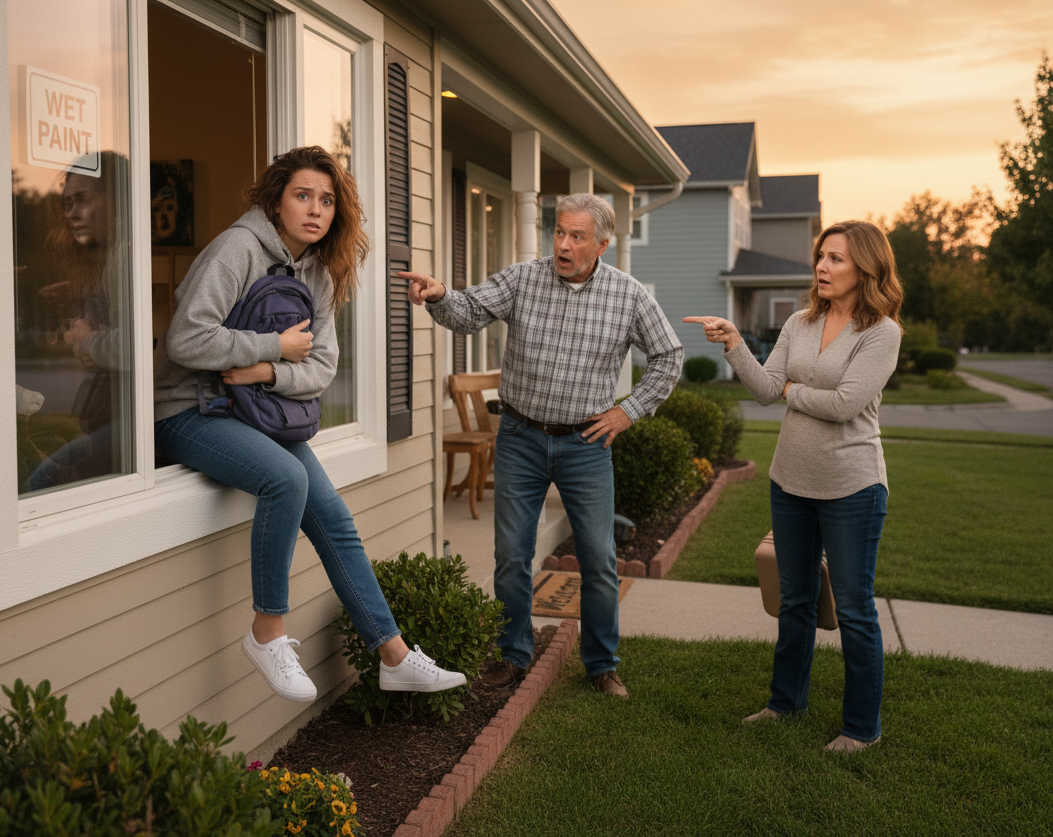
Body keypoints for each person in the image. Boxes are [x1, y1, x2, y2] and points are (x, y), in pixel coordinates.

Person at [153, 146, 466, 703]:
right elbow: (185, 338)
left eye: (326, 200)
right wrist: (277, 345)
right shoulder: (237, 249)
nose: (315, 209)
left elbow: (320, 368)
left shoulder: (317, 271)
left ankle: (393, 656)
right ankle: (266, 632)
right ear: (276, 201)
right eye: (302, 195)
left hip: (251, 412)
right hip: (188, 411)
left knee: (335, 519)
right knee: (287, 479)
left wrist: (262, 369)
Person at [399, 193, 683, 698]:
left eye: (577, 237)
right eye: (559, 232)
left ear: (602, 244)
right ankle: (514, 653)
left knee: (597, 558)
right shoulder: (522, 279)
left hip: (585, 445)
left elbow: (669, 356)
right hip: (520, 438)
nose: (564, 245)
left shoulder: (629, 295)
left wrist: (627, 412)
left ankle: (601, 664)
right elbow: (467, 313)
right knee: (511, 554)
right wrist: (441, 294)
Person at [685, 219, 903, 752]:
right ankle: (785, 703)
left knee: (853, 607)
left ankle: (861, 728)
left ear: (866, 268)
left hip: (852, 486)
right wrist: (735, 343)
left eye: (836, 259)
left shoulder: (882, 333)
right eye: (821, 256)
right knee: (795, 600)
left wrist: (789, 388)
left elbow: (845, 405)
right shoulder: (801, 322)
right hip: (790, 481)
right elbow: (763, 390)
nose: (822, 267)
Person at [25, 150, 131, 492]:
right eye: (66, 202)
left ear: (117, 200)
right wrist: (79, 299)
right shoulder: (107, 256)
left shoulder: (125, 255)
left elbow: (137, 344)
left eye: (82, 200)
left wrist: (85, 340)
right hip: (109, 414)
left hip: (132, 421)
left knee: (39, 486)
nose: (71, 213)